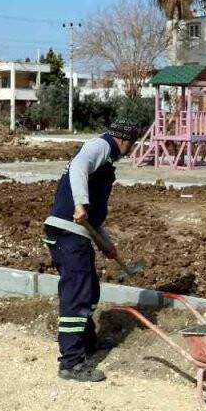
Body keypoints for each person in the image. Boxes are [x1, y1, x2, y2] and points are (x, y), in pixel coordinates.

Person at [43, 120, 142, 382]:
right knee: (76, 297)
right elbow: (78, 167)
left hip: (76, 233)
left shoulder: (106, 159)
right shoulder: (102, 145)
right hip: (68, 232)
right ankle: (71, 363)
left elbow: (92, 221)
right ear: (125, 140)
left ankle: (86, 342)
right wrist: (80, 203)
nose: (131, 149)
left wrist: (105, 243)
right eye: (133, 144)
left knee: (90, 292)